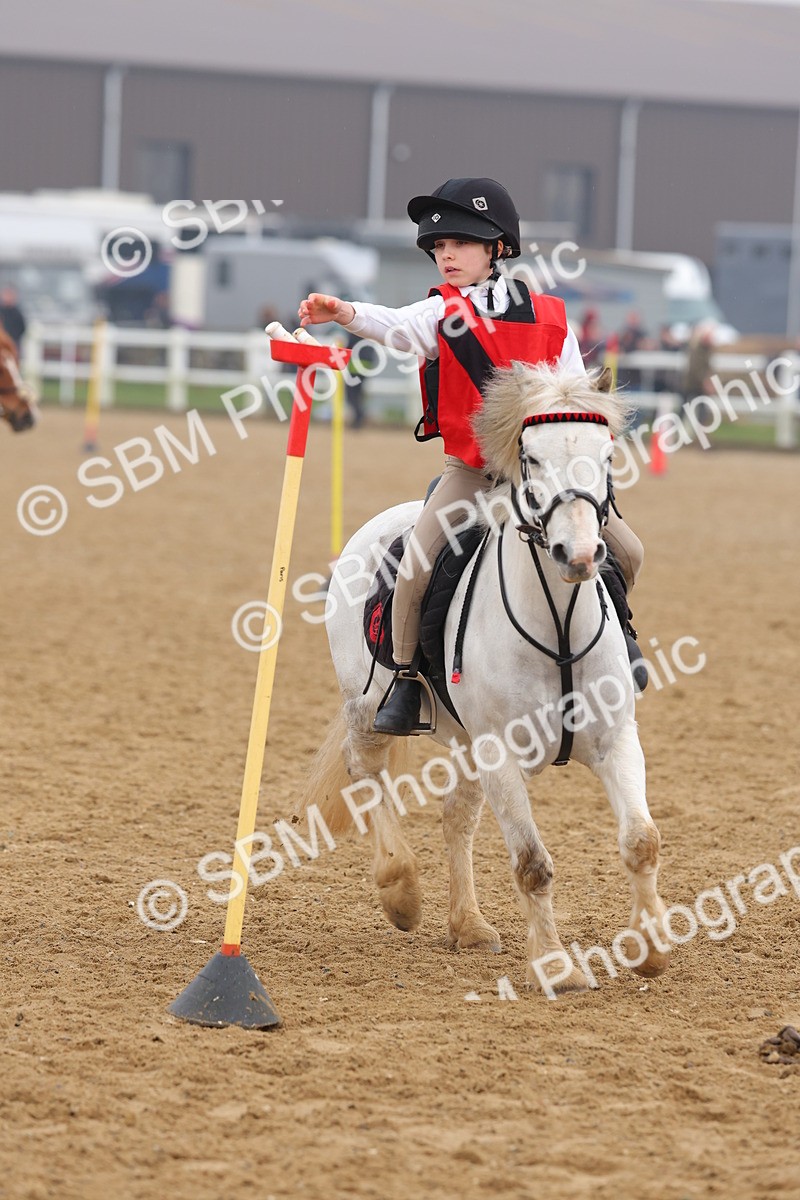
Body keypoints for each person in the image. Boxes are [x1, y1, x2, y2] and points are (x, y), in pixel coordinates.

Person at [299, 177, 645, 734]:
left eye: (459, 243)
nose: (447, 255)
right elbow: (394, 325)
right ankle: (406, 681)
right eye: (439, 246)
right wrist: (344, 312)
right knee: (414, 567)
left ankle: (621, 639)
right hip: (472, 474)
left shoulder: (551, 317)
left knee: (628, 550)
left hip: (543, 478)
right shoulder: (442, 313)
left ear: (497, 248)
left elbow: (575, 395)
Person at [0, 286, 26, 354]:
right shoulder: (1, 311)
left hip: (13, 344)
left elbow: (22, 328)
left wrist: (11, 339)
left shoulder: (17, 313)